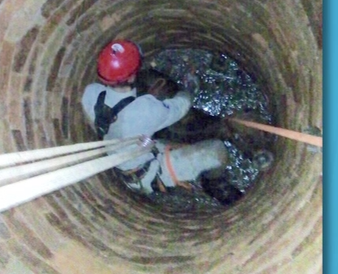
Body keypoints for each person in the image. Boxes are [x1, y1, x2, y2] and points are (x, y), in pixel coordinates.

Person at [81, 39, 231, 195]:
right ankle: (213, 184)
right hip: (146, 172)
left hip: (123, 154)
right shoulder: (145, 109)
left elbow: (122, 118)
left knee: (177, 141)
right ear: (132, 77)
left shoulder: (90, 93)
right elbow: (180, 107)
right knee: (217, 150)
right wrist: (188, 89)